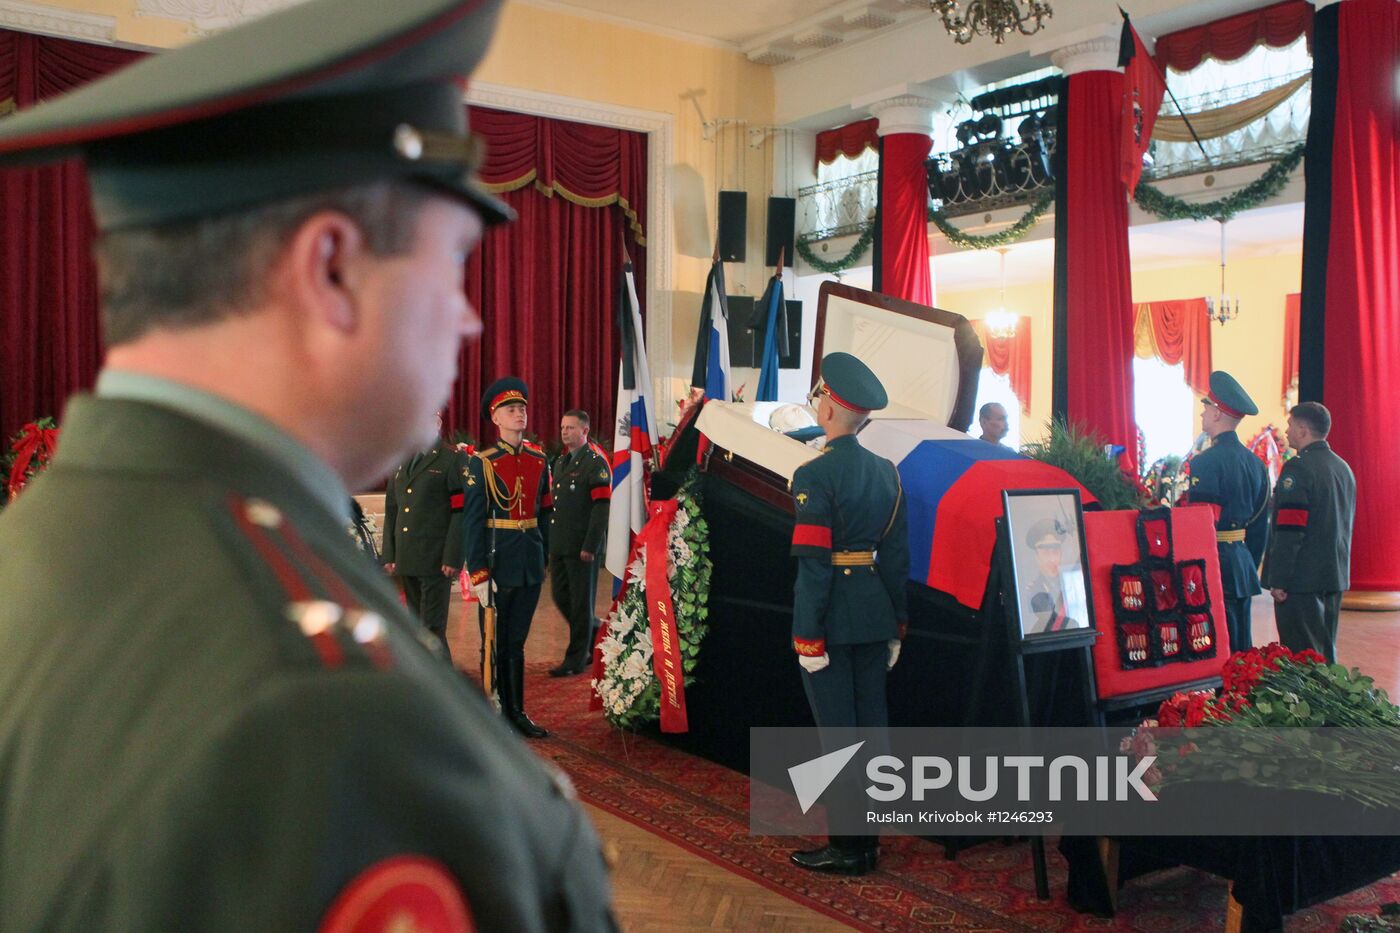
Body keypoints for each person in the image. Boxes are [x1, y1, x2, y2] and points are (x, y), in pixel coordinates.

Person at [0, 1, 618, 929]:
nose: (469, 318)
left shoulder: (41, 539)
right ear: (328, 268)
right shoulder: (326, 717)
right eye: (452, 264)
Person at [788, 352, 909, 876]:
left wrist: (806, 635)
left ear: (831, 409)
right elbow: (897, 559)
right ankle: (868, 843)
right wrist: (897, 623)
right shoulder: (887, 474)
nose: (816, 405)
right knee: (870, 734)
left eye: (819, 398)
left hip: (832, 621)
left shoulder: (814, 474)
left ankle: (847, 848)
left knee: (838, 737)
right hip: (875, 614)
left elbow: (815, 566)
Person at [465, 377, 553, 738]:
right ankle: (493, 710)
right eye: (510, 410)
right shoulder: (483, 463)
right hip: (497, 561)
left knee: (516, 641)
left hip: (528, 561)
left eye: (522, 408)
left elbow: (544, 511)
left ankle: (516, 712)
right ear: (495, 418)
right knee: (493, 639)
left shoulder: (538, 459)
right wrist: (479, 572)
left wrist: (543, 554)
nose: (519, 414)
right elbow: (473, 522)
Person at [1183, 372, 1271, 653]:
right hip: (1242, 563)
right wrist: (1247, 561)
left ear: (1218, 414)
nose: (1202, 414)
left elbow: (1199, 523)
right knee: (1243, 646)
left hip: (1215, 564)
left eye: (1206, 408)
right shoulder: (1255, 464)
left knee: (1220, 647)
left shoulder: (1206, 463)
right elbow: (1259, 526)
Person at [1262, 402, 1356, 663]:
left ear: (1303, 430)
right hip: (1333, 577)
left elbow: (1291, 529)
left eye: (1291, 424)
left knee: (1302, 660)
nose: (1287, 430)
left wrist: (1278, 579)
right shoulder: (1342, 468)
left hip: (1301, 582)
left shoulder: (1298, 469)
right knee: (1326, 654)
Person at [381, 413, 467, 660]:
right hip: (407, 559)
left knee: (432, 629)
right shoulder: (401, 461)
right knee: (417, 629)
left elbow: (460, 512)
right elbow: (393, 510)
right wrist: (390, 552)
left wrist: (453, 557)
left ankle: (444, 688)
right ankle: (431, 683)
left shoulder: (451, 459)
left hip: (435, 560)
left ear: (439, 424)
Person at [547, 409, 611, 676]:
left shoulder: (594, 463)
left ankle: (576, 658)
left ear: (585, 431)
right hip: (561, 544)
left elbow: (600, 508)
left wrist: (591, 545)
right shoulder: (561, 462)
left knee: (581, 601)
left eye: (571, 427)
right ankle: (594, 630)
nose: (564, 431)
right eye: (563, 427)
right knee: (560, 596)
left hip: (582, 547)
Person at [1020, 517, 1080, 633]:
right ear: (1036, 557)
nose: (1052, 559)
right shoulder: (1034, 589)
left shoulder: (1070, 583)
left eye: (1055, 552)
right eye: (1046, 553)